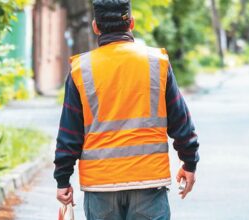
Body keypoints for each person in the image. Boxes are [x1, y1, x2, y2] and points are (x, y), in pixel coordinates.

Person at [53, 0, 200, 219]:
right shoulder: (156, 63)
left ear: (95, 26)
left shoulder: (81, 70)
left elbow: (70, 133)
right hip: (148, 181)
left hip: (101, 185)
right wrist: (189, 163)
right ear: (131, 23)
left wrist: (62, 179)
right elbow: (180, 121)